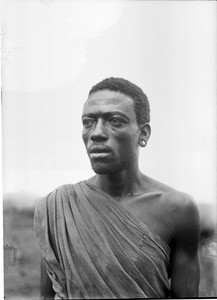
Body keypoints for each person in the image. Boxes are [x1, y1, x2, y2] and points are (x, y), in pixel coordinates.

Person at [34, 77, 200, 299]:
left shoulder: (178, 209)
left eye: (115, 121)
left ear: (144, 133)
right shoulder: (56, 208)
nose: (96, 133)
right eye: (88, 122)